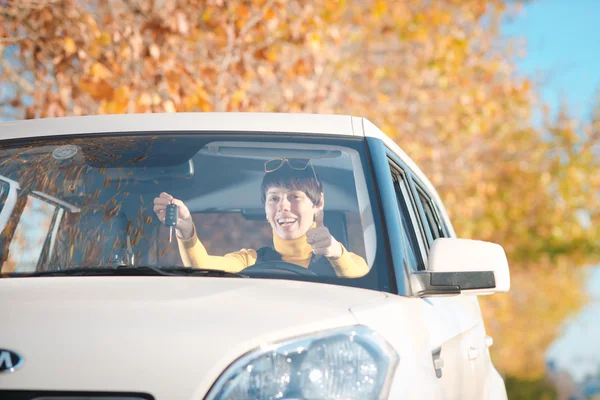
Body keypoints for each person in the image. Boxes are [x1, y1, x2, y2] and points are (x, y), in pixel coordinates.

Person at [153, 158, 368, 278]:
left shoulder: (347, 261)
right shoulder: (250, 260)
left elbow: (362, 287)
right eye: (274, 198)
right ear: (266, 211)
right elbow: (204, 266)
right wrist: (186, 230)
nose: (283, 206)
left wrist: (335, 252)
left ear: (318, 203)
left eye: (294, 196)